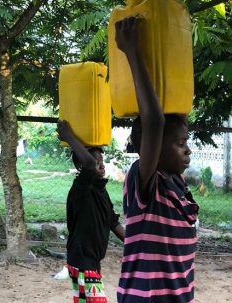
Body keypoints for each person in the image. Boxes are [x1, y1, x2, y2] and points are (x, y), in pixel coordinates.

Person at [114, 17, 199, 303]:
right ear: (149, 148)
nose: (187, 151)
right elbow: (154, 122)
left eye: (186, 143)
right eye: (180, 145)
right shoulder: (146, 183)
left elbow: (172, 119)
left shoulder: (178, 183)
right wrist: (133, 52)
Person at [57, 120, 125, 303]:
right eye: (96, 163)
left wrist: (134, 244)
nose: (101, 166)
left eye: (101, 161)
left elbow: (113, 222)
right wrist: (69, 137)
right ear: (81, 167)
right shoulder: (80, 189)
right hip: (82, 261)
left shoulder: (100, 189)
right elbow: (87, 164)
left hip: (91, 261)